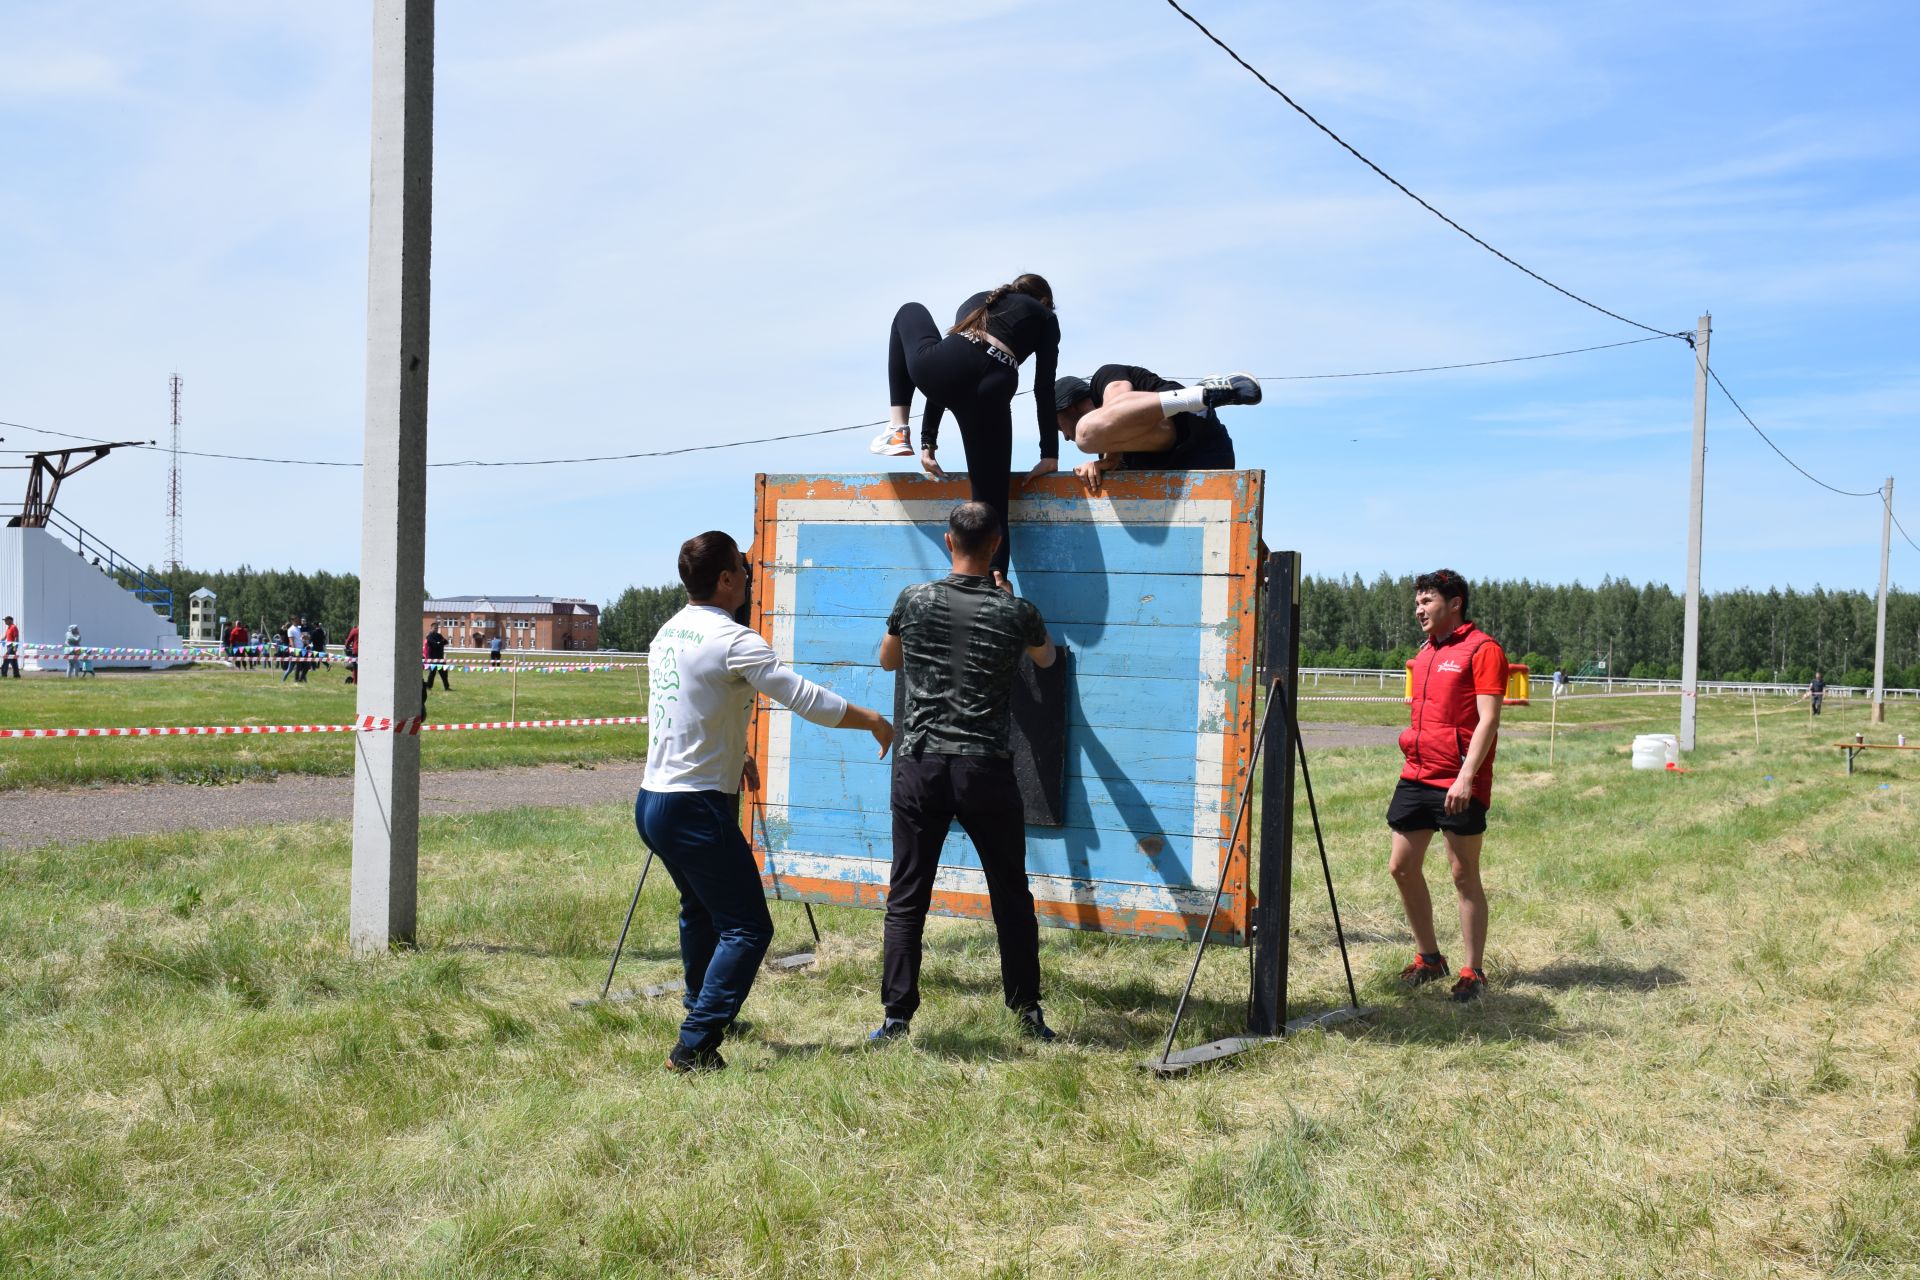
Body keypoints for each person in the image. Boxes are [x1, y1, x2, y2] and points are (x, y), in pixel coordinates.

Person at [638, 530, 894, 1071]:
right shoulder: (734, 640)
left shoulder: (669, 632)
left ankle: (702, 1006)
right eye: (743, 567)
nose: (750, 575)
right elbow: (804, 698)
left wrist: (736, 758)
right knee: (749, 927)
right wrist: (871, 719)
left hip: (654, 801)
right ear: (727, 579)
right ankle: (696, 1044)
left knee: (701, 911)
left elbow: (688, 708)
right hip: (695, 807)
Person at [872, 501, 1060, 1043]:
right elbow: (1045, 661)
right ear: (996, 544)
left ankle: (896, 1017)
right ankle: (1026, 1012)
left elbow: (888, 660)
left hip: (921, 765)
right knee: (1010, 894)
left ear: (948, 541)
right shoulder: (1016, 611)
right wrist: (1007, 605)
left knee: (907, 894)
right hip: (985, 769)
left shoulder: (914, 600)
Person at [878, 274, 1061, 574]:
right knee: (993, 505)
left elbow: (953, 375)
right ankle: (996, 583)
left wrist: (928, 442)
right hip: (994, 390)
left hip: (943, 369)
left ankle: (898, 429)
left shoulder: (981, 300)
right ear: (1045, 302)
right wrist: (1049, 454)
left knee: (908, 310)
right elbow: (1044, 388)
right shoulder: (1045, 317)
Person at [1387, 569, 1507, 1004]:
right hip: (1417, 773)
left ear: (1455, 603)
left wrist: (1467, 776)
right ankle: (1429, 958)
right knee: (1401, 866)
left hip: (1458, 779)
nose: (1419, 609)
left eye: (1427, 601)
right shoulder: (1425, 653)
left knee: (1462, 874)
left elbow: (1489, 719)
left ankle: (1473, 971)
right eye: (1417, 602)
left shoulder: (1484, 649)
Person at [1052, 366, 1259, 494]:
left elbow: (1117, 400)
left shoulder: (1103, 378)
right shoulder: (1105, 448)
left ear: (1067, 406)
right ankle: (1201, 394)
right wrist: (1100, 465)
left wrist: (1110, 456)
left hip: (1199, 435)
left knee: (1086, 436)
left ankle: (1202, 394)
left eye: (1059, 428)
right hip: (1198, 471)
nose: (1066, 437)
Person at [424, 625, 450, 695]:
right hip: (433, 658)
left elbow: (446, 642)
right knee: (432, 673)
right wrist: (440, 643)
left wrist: (439, 643)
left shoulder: (439, 635)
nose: (436, 629)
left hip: (440, 658)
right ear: (431, 628)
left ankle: (447, 687)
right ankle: (428, 686)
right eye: (435, 628)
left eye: (437, 628)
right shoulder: (429, 636)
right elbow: (434, 644)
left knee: (444, 673)